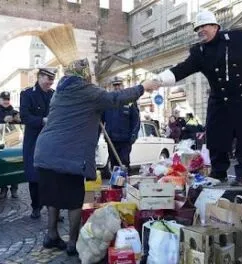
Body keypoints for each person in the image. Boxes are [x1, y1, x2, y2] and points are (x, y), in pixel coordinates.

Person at [33, 58, 160, 255]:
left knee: (54, 196)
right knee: (74, 200)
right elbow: (117, 98)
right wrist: (143, 86)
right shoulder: (89, 92)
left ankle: (51, 235)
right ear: (85, 76)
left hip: (46, 151)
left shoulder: (60, 92)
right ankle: (72, 242)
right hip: (69, 155)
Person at [156, 10, 242, 186]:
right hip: (220, 99)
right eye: (197, 28)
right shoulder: (198, 52)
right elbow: (182, 69)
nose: (200, 30)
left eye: (204, 26)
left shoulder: (236, 38)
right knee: (215, 136)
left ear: (215, 26)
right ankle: (218, 171)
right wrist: (158, 80)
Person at [20, 68, 56, 219]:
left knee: (52, 176)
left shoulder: (54, 94)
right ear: (40, 77)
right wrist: (42, 120)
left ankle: (53, 209)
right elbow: (24, 116)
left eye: (52, 80)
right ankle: (36, 207)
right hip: (33, 141)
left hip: (51, 141)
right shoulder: (27, 94)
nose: (50, 82)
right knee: (34, 176)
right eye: (48, 79)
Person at [101, 76, 140, 172]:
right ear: (111, 87)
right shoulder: (107, 101)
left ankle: (124, 185)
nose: (117, 87)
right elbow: (101, 120)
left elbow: (136, 120)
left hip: (125, 140)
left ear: (122, 86)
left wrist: (133, 136)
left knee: (124, 163)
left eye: (119, 85)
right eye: (115, 85)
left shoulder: (130, 101)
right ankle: (115, 186)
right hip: (111, 139)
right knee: (114, 165)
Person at [0, 91, 21, 199]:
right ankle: (3, 189)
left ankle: (14, 189)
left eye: (7, 99)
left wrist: (18, 120)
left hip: (13, 141)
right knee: (2, 166)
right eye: (4, 99)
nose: (6, 101)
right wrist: (2, 120)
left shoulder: (15, 112)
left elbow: (22, 124)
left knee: (14, 165)